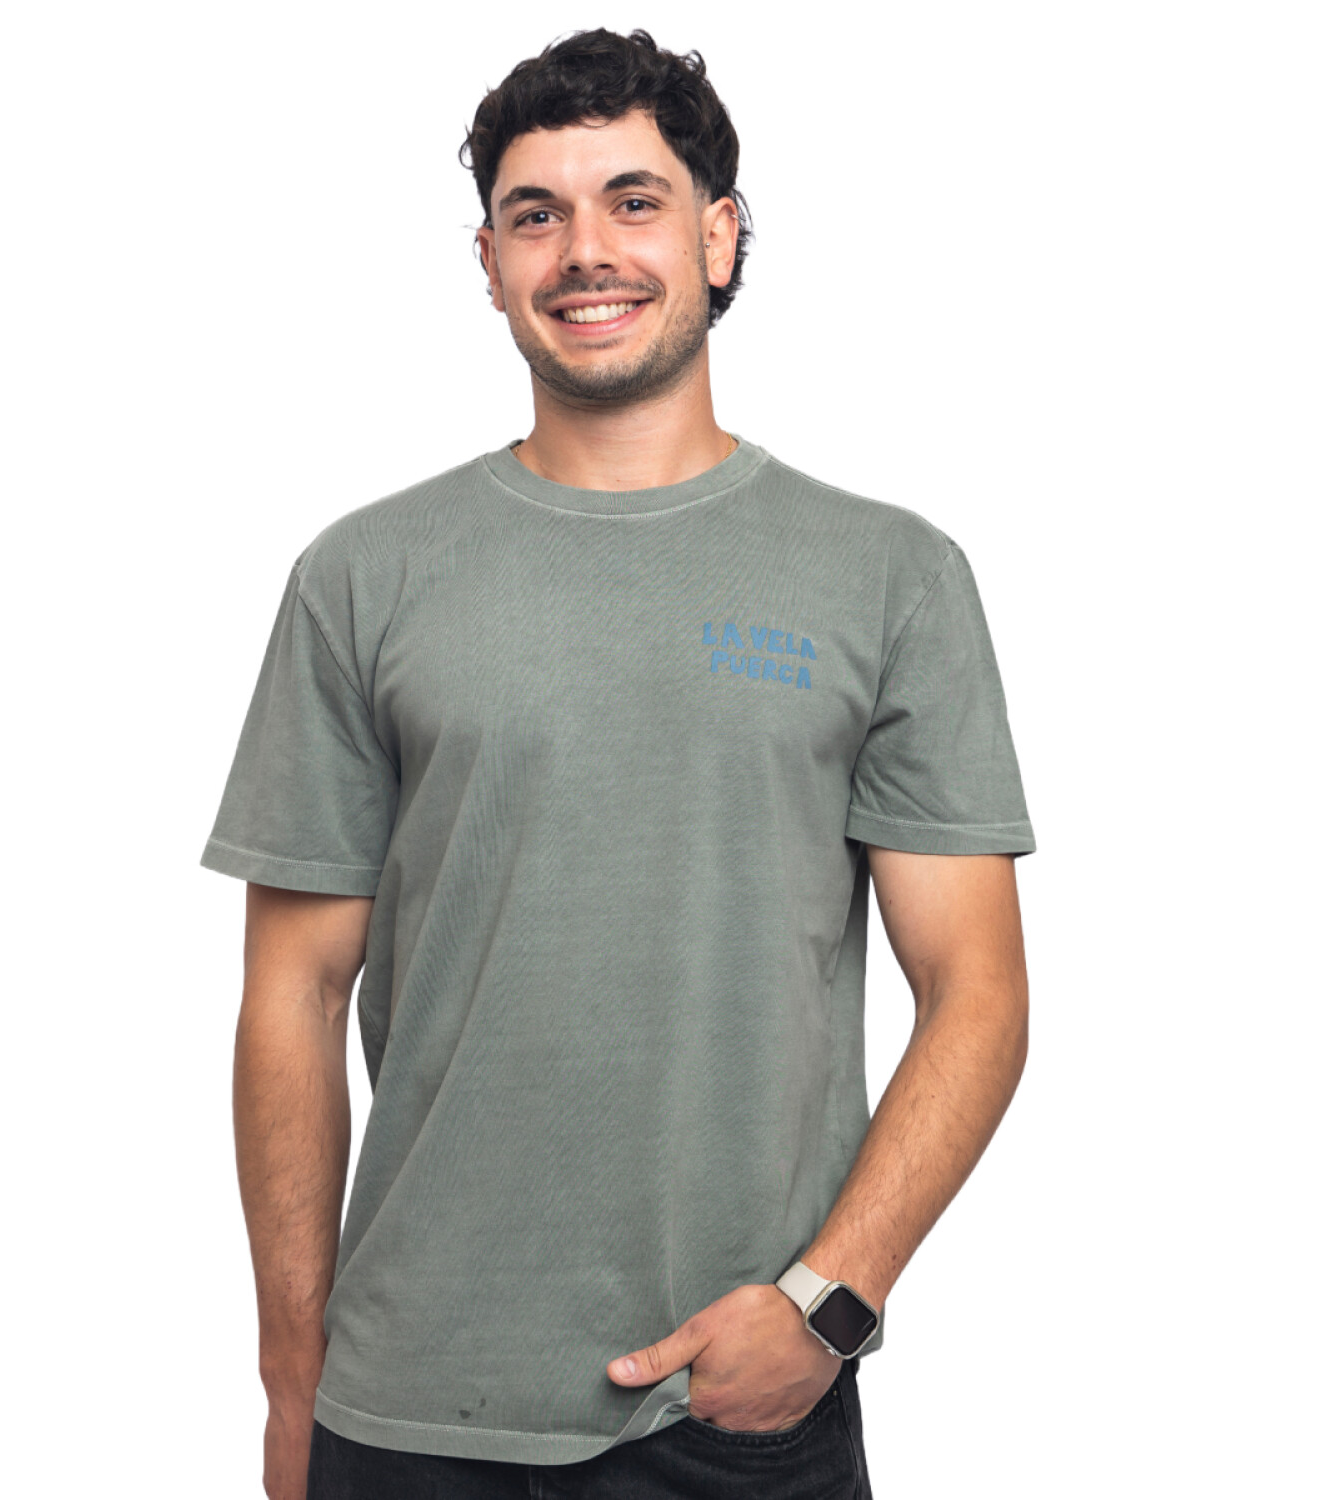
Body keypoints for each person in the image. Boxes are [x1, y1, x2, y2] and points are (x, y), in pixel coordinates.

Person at [200, 26, 1035, 1500]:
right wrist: (292, 1377)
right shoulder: (362, 576)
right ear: (489, 262)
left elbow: (977, 993)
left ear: (720, 236)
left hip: (733, 1415)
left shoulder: (890, 576)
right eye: (537, 214)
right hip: (402, 1413)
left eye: (634, 202)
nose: (585, 250)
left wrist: (827, 1308)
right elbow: (295, 994)